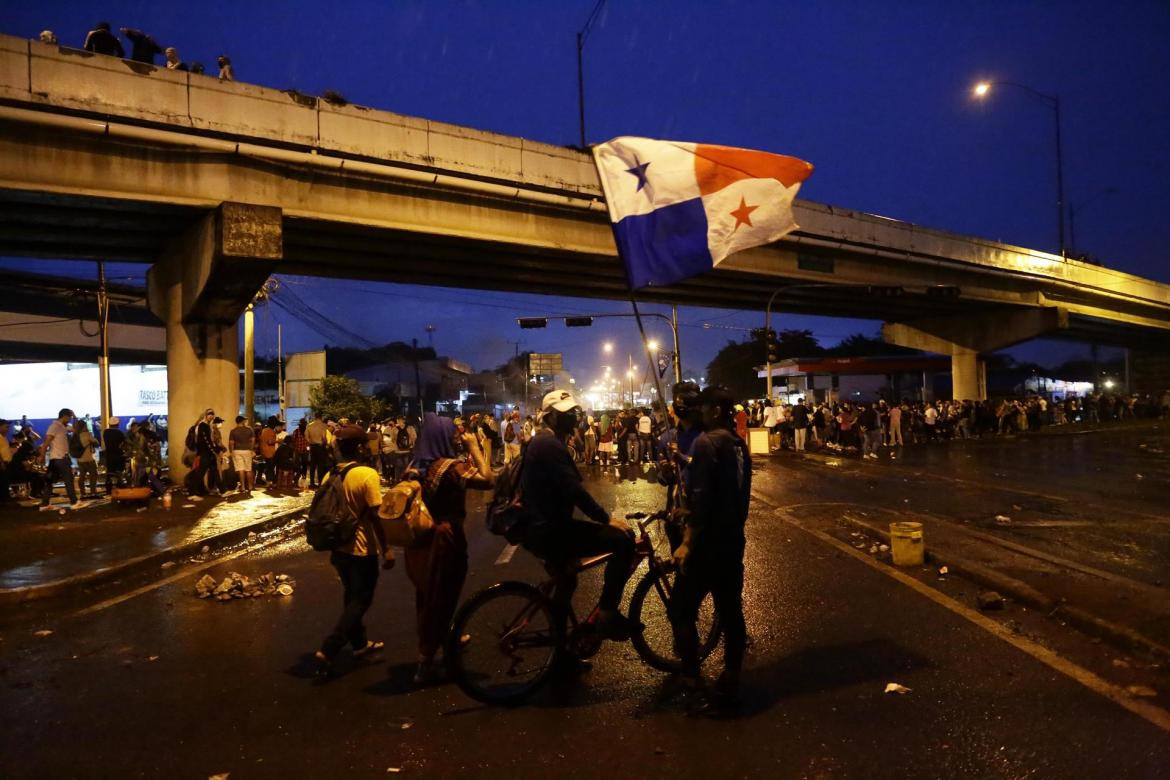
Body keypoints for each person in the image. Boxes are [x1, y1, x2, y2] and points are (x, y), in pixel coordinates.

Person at [520, 390, 638, 640]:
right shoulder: (548, 444)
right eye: (565, 414)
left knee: (567, 581)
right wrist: (606, 519)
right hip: (548, 530)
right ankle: (607, 614)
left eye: (573, 411)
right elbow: (574, 491)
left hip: (544, 527)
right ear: (550, 417)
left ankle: (560, 651)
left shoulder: (550, 441)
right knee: (623, 540)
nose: (573, 417)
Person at [670, 385, 751, 708]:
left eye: (704, 407)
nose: (700, 412)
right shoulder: (738, 445)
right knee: (730, 611)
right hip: (733, 540)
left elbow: (702, 499)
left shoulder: (706, 443)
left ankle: (691, 677)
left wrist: (688, 542)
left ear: (716, 410)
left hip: (709, 545)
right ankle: (732, 675)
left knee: (680, 609)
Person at [400, 414, 494, 684]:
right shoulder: (450, 468)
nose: (456, 436)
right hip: (445, 539)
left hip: (418, 541)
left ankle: (439, 640)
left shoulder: (414, 466)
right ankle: (425, 662)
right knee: (441, 598)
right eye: (452, 433)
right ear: (440, 436)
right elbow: (488, 479)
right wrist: (475, 447)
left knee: (427, 596)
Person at [314, 425, 388, 676]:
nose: (369, 447)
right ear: (358, 448)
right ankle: (330, 647)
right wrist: (386, 549)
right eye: (365, 444)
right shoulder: (367, 475)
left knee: (351, 595)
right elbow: (376, 516)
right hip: (360, 548)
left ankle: (359, 644)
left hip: (338, 547)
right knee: (362, 599)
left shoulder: (330, 474)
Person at [38, 408, 78, 508]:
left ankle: (45, 504)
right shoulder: (55, 426)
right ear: (64, 416)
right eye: (69, 417)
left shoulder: (63, 427)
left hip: (56, 459)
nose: (70, 419)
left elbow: (76, 429)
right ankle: (74, 502)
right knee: (68, 480)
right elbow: (46, 442)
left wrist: (75, 417)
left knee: (50, 482)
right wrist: (42, 455)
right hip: (60, 458)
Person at [190, 408, 220, 496]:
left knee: (214, 471)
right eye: (209, 414)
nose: (211, 416)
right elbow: (205, 441)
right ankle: (192, 493)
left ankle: (223, 490)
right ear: (205, 415)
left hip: (208, 453)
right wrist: (214, 450)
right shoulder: (203, 426)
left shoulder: (207, 426)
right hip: (205, 453)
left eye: (212, 414)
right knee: (200, 473)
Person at [228, 415, 255, 494]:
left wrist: (231, 451)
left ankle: (242, 487)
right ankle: (250, 486)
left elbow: (231, 442)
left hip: (237, 451)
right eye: (244, 420)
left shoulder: (233, 431)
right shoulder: (249, 429)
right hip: (247, 450)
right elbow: (253, 440)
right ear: (242, 421)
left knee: (240, 469)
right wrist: (251, 449)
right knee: (248, 469)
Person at [75, 419, 100, 499]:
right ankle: (93, 493)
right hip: (89, 459)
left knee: (82, 476)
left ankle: (83, 493)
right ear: (84, 426)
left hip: (80, 459)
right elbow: (96, 443)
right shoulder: (88, 434)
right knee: (93, 475)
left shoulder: (75, 436)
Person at [102, 417, 127, 493]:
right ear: (117, 424)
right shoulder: (119, 433)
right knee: (119, 471)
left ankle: (108, 488)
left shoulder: (105, 432)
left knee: (109, 472)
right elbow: (126, 441)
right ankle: (120, 485)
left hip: (109, 455)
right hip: (118, 454)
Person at [306, 412, 329, 487]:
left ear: (315, 417)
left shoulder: (309, 425)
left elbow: (306, 436)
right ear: (321, 417)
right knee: (320, 465)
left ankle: (312, 483)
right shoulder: (324, 426)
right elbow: (325, 437)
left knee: (312, 465)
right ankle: (320, 482)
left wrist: (311, 442)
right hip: (320, 447)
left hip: (313, 447)